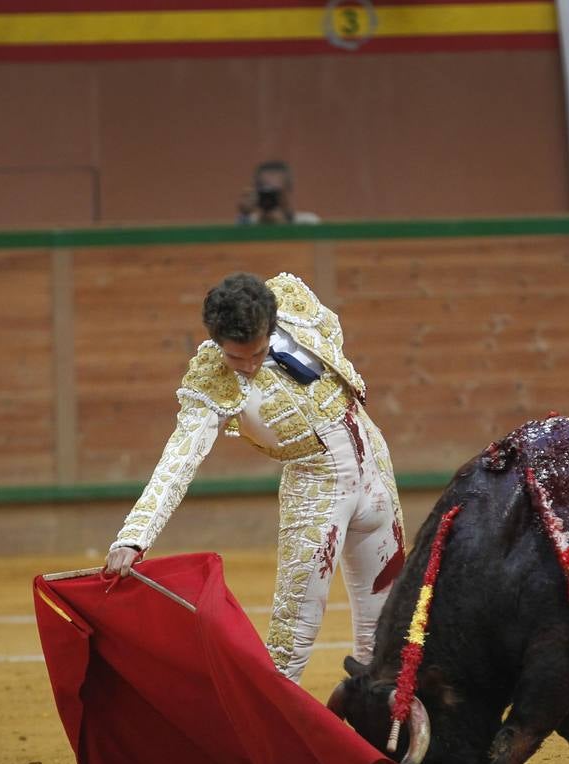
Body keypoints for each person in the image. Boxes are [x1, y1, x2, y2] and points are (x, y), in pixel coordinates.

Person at [104, 271, 403, 684]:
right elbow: (179, 457)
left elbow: (333, 340)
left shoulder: (295, 304)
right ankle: (269, 747)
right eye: (235, 358)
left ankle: (380, 739)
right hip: (315, 491)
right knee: (290, 642)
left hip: (376, 471)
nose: (247, 367)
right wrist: (134, 535)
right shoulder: (212, 381)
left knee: (388, 634)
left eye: (257, 354)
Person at [236, 161, 321, 225]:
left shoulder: (308, 223)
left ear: (288, 192)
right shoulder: (248, 223)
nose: (270, 197)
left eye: (275, 192)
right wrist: (244, 214)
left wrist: (284, 220)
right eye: (265, 191)